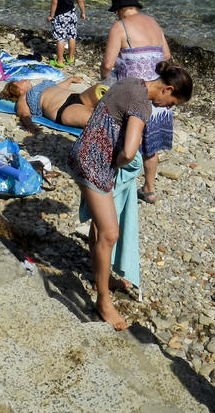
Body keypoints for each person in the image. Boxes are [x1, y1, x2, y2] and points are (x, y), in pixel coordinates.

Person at [67, 62, 193, 329]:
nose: (167, 108)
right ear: (167, 88)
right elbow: (129, 150)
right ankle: (103, 301)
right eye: (171, 102)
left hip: (84, 151)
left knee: (100, 226)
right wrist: (121, 164)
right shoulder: (143, 104)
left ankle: (102, 276)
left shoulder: (131, 81)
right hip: (94, 164)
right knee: (110, 233)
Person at [100, 0, 172, 205]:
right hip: (159, 96)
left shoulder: (119, 27)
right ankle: (149, 189)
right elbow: (167, 55)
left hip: (133, 97)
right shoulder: (153, 23)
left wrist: (106, 79)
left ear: (119, 10)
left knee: (126, 143)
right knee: (152, 147)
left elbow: (108, 64)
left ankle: (118, 187)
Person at [0, 76, 100, 130]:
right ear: (18, 90)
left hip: (77, 97)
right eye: (18, 82)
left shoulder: (40, 86)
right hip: (64, 108)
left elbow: (59, 87)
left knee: (100, 89)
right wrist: (30, 126)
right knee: (96, 121)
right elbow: (23, 113)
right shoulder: (24, 97)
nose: (22, 79)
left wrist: (70, 80)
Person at [47, 0, 86, 67]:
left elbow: (54, 2)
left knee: (60, 38)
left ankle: (59, 62)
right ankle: (70, 58)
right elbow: (80, 0)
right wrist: (83, 12)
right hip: (72, 14)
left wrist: (51, 15)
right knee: (72, 36)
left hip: (60, 16)